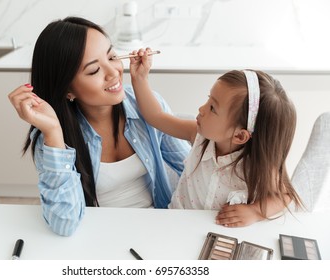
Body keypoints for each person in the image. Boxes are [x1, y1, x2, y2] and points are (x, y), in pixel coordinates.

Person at [7, 18, 190, 236]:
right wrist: (54, 133)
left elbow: (191, 167)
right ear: (67, 90)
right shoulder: (51, 136)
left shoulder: (146, 105)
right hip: (98, 235)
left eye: (112, 56)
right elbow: (64, 223)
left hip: (157, 224)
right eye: (94, 70)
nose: (113, 72)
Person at [130, 48, 303, 227]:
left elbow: (284, 196)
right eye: (208, 100)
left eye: (213, 108)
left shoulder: (255, 164)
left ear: (240, 135)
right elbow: (156, 117)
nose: (201, 109)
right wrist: (140, 78)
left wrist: (255, 212)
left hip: (218, 233)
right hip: (176, 224)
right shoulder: (198, 136)